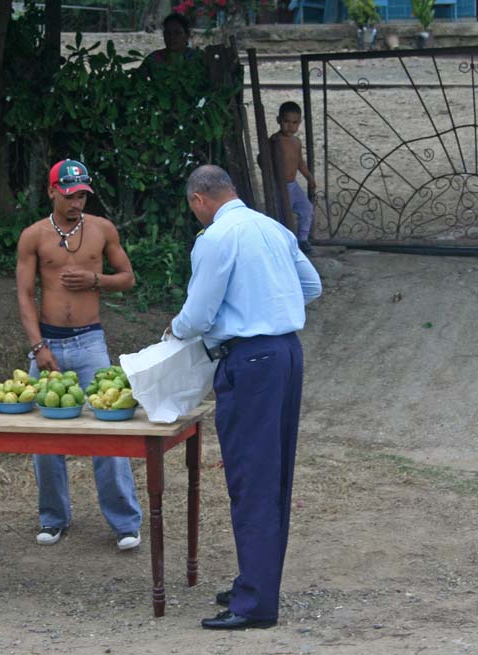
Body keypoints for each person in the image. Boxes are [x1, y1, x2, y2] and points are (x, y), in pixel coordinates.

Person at [168, 165, 322, 630]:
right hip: (286, 352)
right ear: (230, 190)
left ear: (199, 199)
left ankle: (255, 603)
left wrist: (174, 331)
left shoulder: (216, 238)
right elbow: (311, 286)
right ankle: (257, 582)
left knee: (251, 477)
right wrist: (271, 305)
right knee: (273, 474)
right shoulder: (272, 228)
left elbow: (197, 314)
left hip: (250, 360)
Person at [15, 159, 144, 550]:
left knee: (109, 433)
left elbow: (128, 277)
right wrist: (38, 347)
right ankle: (53, 517)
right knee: (45, 437)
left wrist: (96, 280)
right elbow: (23, 294)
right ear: (52, 191)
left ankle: (125, 523)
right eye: (70, 195)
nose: (77, 203)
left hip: (90, 342)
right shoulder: (33, 235)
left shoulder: (102, 229)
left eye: (83, 195)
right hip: (49, 342)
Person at [270, 101, 317, 255]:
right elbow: (264, 161)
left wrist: (310, 178)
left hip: (293, 185)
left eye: (295, 123)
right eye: (286, 122)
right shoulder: (275, 141)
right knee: (284, 216)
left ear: (300, 123)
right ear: (279, 120)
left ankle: (302, 239)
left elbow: (300, 163)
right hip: (280, 186)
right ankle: (283, 243)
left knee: (307, 209)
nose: (290, 126)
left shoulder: (296, 142)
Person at [138, 12, 203, 77]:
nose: (172, 37)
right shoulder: (153, 59)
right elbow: (136, 82)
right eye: (168, 33)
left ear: (187, 35)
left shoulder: (198, 59)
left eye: (177, 33)